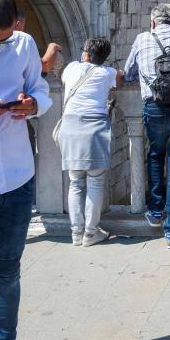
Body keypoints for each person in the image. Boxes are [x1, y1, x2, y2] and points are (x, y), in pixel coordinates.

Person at [0, 0, 52, 340]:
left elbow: (40, 87)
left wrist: (32, 103)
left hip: (17, 180)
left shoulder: (22, 44)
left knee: (6, 274)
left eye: (5, 39)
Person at [120, 4, 170, 249]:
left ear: (153, 22)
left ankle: (155, 211)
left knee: (155, 155)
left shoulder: (142, 38)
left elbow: (129, 73)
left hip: (153, 108)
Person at [58, 38, 116, 247]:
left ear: (87, 55)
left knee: (75, 182)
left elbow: (63, 78)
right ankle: (91, 233)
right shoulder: (107, 73)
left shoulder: (72, 68)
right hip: (94, 129)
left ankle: (76, 233)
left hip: (71, 127)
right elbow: (120, 79)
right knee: (95, 181)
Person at [15, 9, 61, 75]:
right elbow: (44, 66)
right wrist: (52, 47)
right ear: (18, 24)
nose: (23, 29)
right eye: (23, 25)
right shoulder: (22, 38)